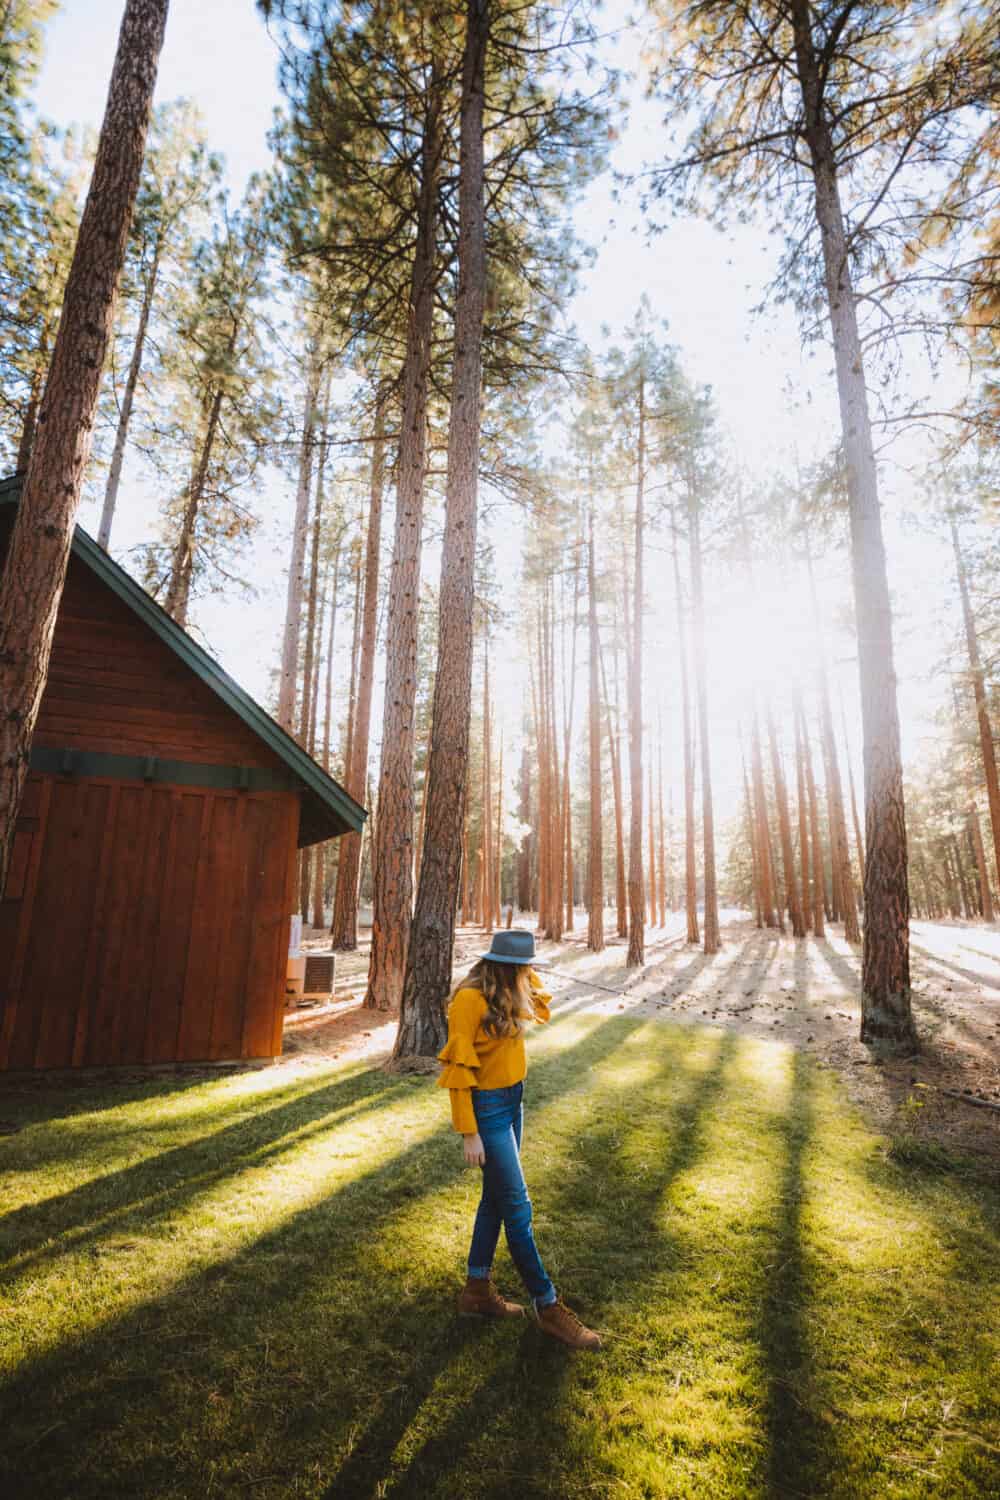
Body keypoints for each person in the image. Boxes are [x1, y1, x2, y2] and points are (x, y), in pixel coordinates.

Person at [437, 928, 602, 1351]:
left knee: (494, 1200)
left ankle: (476, 1291)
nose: (528, 974)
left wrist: (530, 977)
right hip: (487, 1110)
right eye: (523, 967)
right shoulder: (469, 1002)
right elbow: (458, 1071)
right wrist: (469, 1133)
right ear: (502, 967)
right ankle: (547, 1306)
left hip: (514, 1101)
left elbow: (544, 1010)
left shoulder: (510, 993)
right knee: (517, 1207)